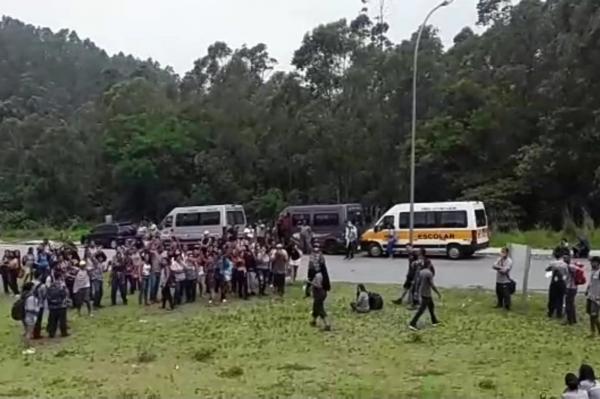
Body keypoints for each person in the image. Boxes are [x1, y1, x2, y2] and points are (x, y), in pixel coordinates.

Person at [409, 258, 441, 331]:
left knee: (431, 306)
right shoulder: (429, 273)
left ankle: (434, 321)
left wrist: (416, 291)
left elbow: (417, 283)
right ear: (429, 264)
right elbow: (432, 285)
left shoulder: (421, 272)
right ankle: (412, 323)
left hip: (423, 292)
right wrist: (437, 292)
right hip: (426, 293)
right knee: (421, 310)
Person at [308, 252, 331, 331]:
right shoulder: (324, 273)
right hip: (322, 292)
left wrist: (310, 283)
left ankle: (327, 323)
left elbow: (317, 285)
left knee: (320, 308)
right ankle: (313, 321)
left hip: (319, 292)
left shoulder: (318, 275)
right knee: (316, 307)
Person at [46, 272, 69, 338]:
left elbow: (48, 295)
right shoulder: (62, 285)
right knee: (62, 320)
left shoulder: (51, 285)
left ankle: (51, 333)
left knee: (52, 320)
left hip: (52, 306)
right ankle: (63, 333)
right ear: (60, 277)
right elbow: (65, 294)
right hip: (61, 305)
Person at [546, 254, 568, 319]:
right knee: (560, 298)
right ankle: (559, 313)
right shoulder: (565, 264)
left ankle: (550, 312)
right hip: (561, 283)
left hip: (554, 283)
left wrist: (553, 268)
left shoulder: (552, 263)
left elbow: (547, 269)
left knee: (552, 298)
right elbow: (566, 274)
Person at [21, 281, 39, 354]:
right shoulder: (31, 297)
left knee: (27, 332)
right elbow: (31, 308)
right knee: (29, 333)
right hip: (30, 316)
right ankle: (28, 347)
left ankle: (28, 346)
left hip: (25, 315)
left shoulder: (23, 295)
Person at [31, 270, 48, 340]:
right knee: (38, 320)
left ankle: (30, 331)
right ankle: (36, 334)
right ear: (40, 276)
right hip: (39, 304)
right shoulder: (42, 286)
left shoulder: (30, 283)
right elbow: (44, 295)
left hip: (31, 304)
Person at [586, 257, 600, 337]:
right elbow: (591, 282)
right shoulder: (593, 271)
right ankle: (592, 332)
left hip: (597, 297)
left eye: (593, 262)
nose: (591, 264)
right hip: (590, 296)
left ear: (598, 263)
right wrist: (587, 289)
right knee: (590, 314)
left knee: (594, 315)